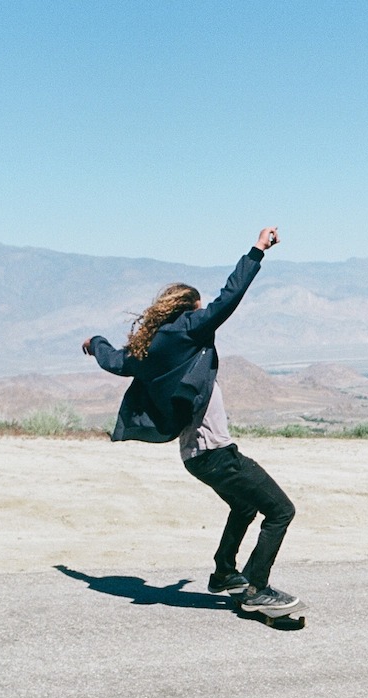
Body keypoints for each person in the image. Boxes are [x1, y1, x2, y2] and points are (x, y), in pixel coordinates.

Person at [82, 227, 302, 614]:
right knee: (281, 511)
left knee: (244, 507)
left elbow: (113, 359)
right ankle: (256, 588)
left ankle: (223, 573)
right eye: (199, 309)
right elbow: (229, 297)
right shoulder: (189, 329)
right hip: (216, 452)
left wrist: (94, 342)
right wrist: (257, 250)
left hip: (194, 456)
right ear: (188, 309)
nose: (204, 314)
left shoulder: (148, 347)